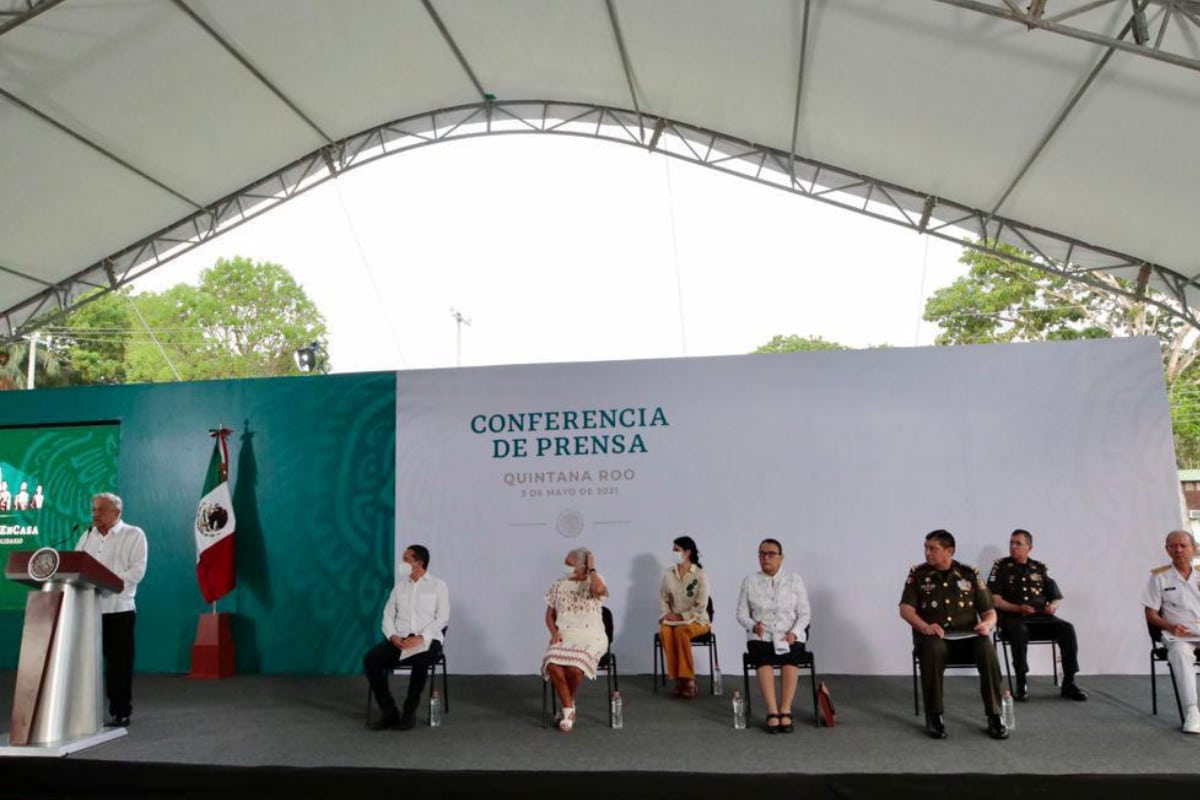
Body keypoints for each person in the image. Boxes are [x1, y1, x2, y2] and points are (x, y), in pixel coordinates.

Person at [899, 529, 1008, 740]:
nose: (927, 553)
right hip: (934, 637)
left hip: (968, 637)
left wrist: (987, 624)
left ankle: (995, 715)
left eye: (933, 548)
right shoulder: (918, 575)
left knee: (986, 647)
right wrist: (925, 627)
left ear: (950, 551)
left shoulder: (969, 574)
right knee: (933, 647)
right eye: (926, 547)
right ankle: (935, 716)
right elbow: (905, 609)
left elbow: (990, 612)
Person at [74, 492, 148, 727]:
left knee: (118, 666)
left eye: (100, 510)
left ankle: (120, 711)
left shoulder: (133, 534)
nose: (95, 514)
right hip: (89, 609)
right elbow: (75, 565)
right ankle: (85, 713)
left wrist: (104, 581)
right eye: (94, 509)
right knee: (86, 664)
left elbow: (137, 571)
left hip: (119, 610)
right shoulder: (86, 536)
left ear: (117, 512)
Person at [987, 529, 1087, 701]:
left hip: (1041, 619)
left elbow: (1056, 596)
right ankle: (1021, 681)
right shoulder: (1001, 567)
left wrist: (1052, 607)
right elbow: (995, 600)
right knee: (1020, 630)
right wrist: (1017, 608)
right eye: (1011, 543)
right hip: (1013, 620)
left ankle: (1069, 682)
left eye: (1018, 543)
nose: (1013, 547)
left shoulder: (1038, 568)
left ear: (1029, 548)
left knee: (1067, 629)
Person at [363, 544, 449, 730]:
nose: (402, 563)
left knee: (420, 660)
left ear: (419, 563)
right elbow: (387, 614)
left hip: (427, 640)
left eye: (406, 559)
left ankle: (409, 713)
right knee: (371, 660)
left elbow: (442, 618)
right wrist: (393, 636)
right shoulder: (400, 587)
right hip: (400, 640)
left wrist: (421, 637)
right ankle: (389, 712)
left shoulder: (437, 585)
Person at [735, 538, 810, 733]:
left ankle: (785, 709)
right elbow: (741, 613)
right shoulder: (750, 581)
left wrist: (794, 633)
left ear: (781, 557)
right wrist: (753, 625)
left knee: (790, 657)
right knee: (763, 656)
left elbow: (804, 613)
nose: (765, 558)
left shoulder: (794, 579)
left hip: (788, 634)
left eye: (770, 554)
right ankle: (772, 710)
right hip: (763, 634)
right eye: (761, 554)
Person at [542, 547, 608, 732]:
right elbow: (549, 616)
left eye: (570, 564)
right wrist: (554, 632)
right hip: (565, 634)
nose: (566, 567)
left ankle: (566, 707)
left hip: (591, 636)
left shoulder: (594, 580)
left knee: (574, 668)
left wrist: (592, 569)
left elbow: (600, 590)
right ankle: (569, 707)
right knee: (553, 664)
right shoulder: (558, 584)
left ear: (582, 567)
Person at [1142, 529, 1200, 734]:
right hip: (1177, 634)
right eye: (1173, 546)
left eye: (1183, 546)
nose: (1178, 550)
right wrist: (1169, 626)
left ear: (1194, 549)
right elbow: (1151, 614)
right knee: (1180, 652)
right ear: (1167, 550)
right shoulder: (1159, 578)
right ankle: (1192, 711)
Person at [659, 535, 711, 699]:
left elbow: (701, 605)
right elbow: (664, 598)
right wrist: (666, 615)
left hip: (698, 620)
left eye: (677, 550)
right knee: (665, 632)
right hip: (674, 620)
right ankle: (677, 678)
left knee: (681, 631)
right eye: (673, 549)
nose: (673, 552)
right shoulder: (669, 574)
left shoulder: (700, 575)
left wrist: (681, 616)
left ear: (687, 552)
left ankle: (688, 678)